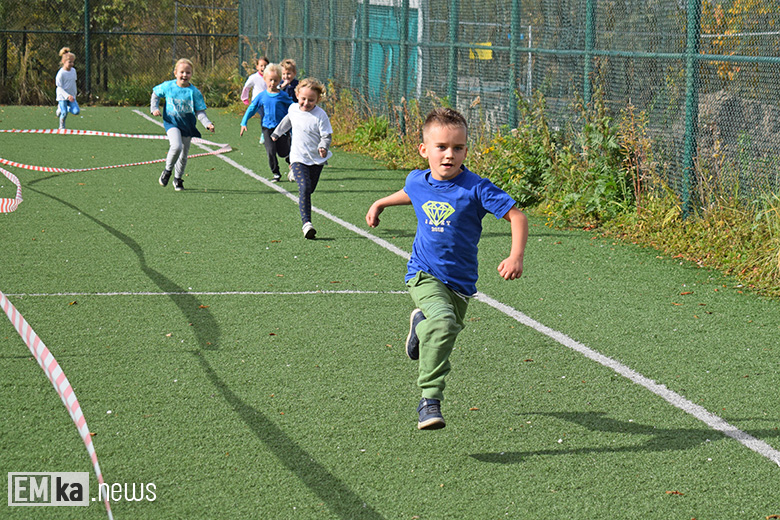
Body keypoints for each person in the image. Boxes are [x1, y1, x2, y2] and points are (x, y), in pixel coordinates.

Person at [365, 108, 528, 430]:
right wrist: (380, 203)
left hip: (461, 283)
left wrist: (515, 256)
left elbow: (517, 216)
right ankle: (429, 400)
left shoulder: (476, 188)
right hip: (423, 273)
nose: (449, 154)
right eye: (441, 147)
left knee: (445, 329)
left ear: (466, 150)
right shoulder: (417, 179)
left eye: (458, 147)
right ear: (424, 149)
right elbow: (410, 193)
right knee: (443, 323)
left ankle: (420, 327)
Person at [271, 78, 333, 239]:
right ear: (297, 94)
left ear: (317, 99)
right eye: (303, 98)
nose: (306, 103)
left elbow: (326, 135)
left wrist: (323, 147)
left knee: (309, 189)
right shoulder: (293, 109)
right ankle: (307, 224)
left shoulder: (320, 115)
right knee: (304, 188)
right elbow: (287, 121)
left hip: (316, 160)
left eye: (311, 100)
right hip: (298, 157)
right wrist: (277, 133)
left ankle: (294, 175)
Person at [151, 58, 215, 191]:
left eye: (188, 72)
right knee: (176, 146)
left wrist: (207, 123)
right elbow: (156, 93)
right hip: (172, 123)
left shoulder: (194, 92)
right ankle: (167, 171)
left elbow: (199, 111)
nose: (184, 75)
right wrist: (154, 108)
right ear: (175, 73)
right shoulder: (168, 86)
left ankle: (178, 178)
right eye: (182, 72)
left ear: (191, 74)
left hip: (187, 125)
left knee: (184, 155)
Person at [239, 63, 294, 182]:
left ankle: (291, 162)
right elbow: (252, 108)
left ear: (280, 80)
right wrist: (244, 122)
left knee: (283, 152)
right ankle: (276, 173)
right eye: (270, 80)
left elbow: (293, 107)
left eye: (275, 80)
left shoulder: (283, 96)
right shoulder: (262, 96)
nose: (273, 83)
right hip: (267, 128)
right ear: (265, 79)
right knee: (270, 151)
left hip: (281, 128)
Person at [55, 47, 80, 130]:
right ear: (63, 61)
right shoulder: (61, 74)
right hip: (62, 97)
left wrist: (74, 94)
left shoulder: (73, 71)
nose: (72, 64)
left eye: (73, 62)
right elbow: (59, 88)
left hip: (71, 96)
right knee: (64, 113)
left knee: (76, 111)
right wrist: (67, 96)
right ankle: (61, 126)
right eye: (70, 62)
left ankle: (67, 108)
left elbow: (73, 83)